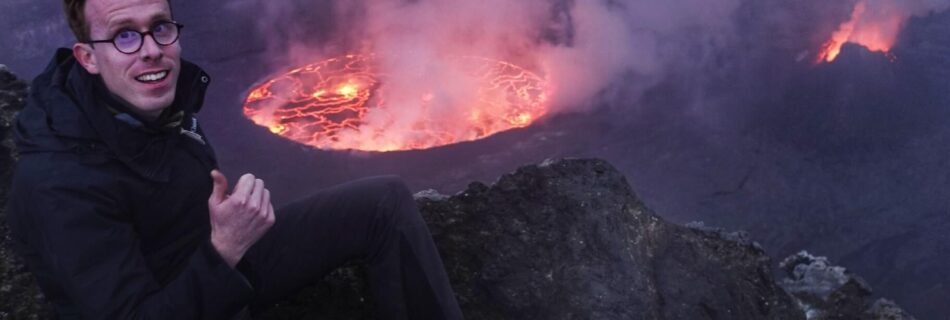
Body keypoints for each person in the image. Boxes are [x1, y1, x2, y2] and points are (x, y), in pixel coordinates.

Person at [5, 0, 463, 319]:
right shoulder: (61, 184)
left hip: (214, 268)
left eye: (159, 27)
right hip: (183, 293)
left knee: (384, 203)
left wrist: (225, 246)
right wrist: (224, 249)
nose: (150, 48)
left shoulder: (156, 106)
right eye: (124, 35)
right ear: (87, 57)